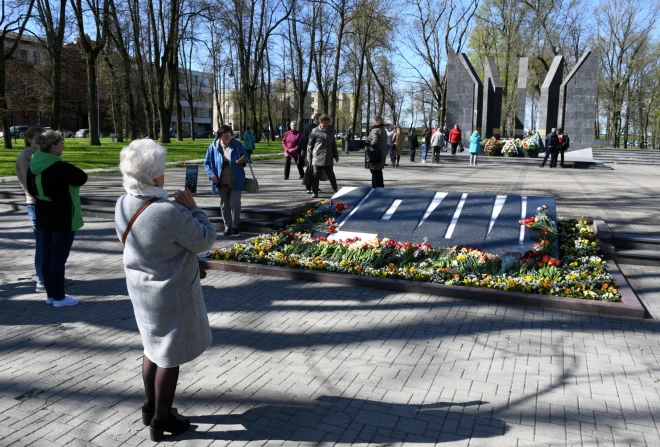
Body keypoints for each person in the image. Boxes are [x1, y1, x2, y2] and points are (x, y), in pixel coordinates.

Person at [115, 139, 216, 442]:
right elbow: (204, 240)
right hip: (170, 292)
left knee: (151, 348)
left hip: (141, 290)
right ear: (155, 175)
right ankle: (162, 420)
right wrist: (194, 209)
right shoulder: (166, 211)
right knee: (169, 357)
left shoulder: (122, 202)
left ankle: (150, 407)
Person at [26, 130, 87, 307]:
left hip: (43, 215)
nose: (63, 147)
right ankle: (60, 297)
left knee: (47, 256)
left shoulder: (34, 165)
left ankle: (51, 295)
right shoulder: (60, 167)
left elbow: (31, 189)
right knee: (58, 258)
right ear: (53, 147)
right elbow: (82, 177)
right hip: (62, 217)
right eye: (61, 144)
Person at [204, 125, 249, 235]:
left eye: (230, 134)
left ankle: (235, 225)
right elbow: (207, 163)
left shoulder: (237, 145)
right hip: (221, 180)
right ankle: (227, 226)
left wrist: (242, 161)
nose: (229, 136)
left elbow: (246, 157)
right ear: (220, 135)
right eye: (226, 134)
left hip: (236, 179)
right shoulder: (213, 147)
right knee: (225, 205)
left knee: (235, 203)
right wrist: (211, 175)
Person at [16, 127, 45, 292]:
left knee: (50, 243)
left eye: (41, 136)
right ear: (28, 139)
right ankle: (41, 280)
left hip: (45, 203)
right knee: (42, 243)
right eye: (35, 137)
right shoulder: (25, 157)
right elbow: (30, 183)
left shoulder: (41, 156)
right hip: (36, 203)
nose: (39, 139)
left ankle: (53, 275)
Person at [307, 114, 339, 197]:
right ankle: (315, 192)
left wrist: (336, 155)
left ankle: (335, 190)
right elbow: (310, 145)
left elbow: (333, 144)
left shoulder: (331, 131)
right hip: (317, 157)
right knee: (315, 175)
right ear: (320, 122)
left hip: (328, 157)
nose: (325, 125)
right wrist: (309, 158)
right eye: (324, 123)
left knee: (331, 175)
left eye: (327, 123)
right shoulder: (314, 131)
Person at [300, 112, 321, 194]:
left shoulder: (320, 128)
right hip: (310, 151)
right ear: (315, 119)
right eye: (318, 119)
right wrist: (302, 149)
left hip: (318, 152)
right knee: (309, 170)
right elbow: (303, 139)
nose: (319, 121)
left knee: (317, 171)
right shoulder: (309, 127)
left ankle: (315, 187)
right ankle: (308, 187)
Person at [366, 116, 388, 187]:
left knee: (374, 172)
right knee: (378, 172)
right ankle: (379, 187)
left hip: (375, 154)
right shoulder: (383, 129)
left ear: (376, 122)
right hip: (381, 153)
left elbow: (375, 141)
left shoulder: (375, 130)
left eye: (373, 121)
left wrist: (368, 143)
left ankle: (376, 189)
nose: (372, 122)